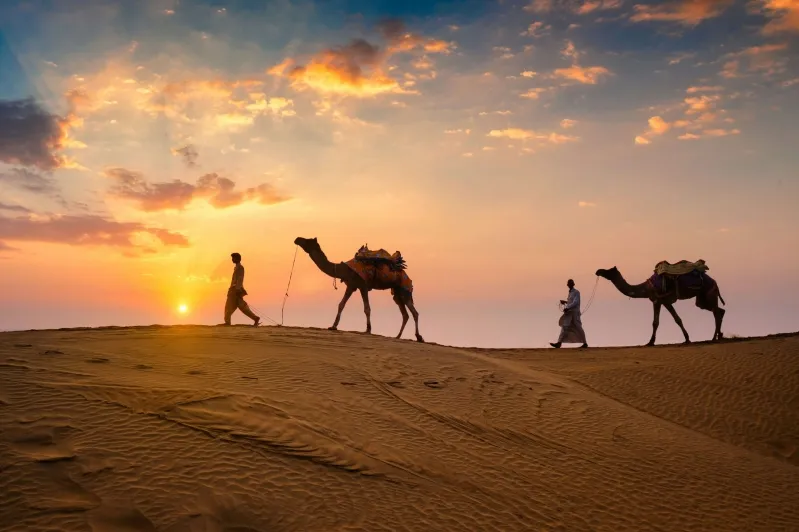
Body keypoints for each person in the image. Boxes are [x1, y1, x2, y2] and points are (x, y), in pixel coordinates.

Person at [224, 252, 260, 327]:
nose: (232, 259)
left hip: (235, 290)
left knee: (229, 306)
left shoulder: (240, 267)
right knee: (242, 306)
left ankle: (227, 322)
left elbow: (240, 279)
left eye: (233, 258)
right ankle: (255, 318)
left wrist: (237, 289)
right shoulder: (237, 267)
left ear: (237, 259)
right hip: (235, 289)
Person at [550, 279, 588, 349]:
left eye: (570, 283)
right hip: (569, 313)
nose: (569, 285)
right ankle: (559, 343)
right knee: (564, 326)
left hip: (574, 313)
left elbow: (576, 302)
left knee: (578, 327)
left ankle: (585, 343)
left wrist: (568, 307)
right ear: (568, 285)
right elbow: (571, 302)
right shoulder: (570, 293)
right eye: (569, 283)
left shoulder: (576, 292)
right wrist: (565, 302)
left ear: (573, 284)